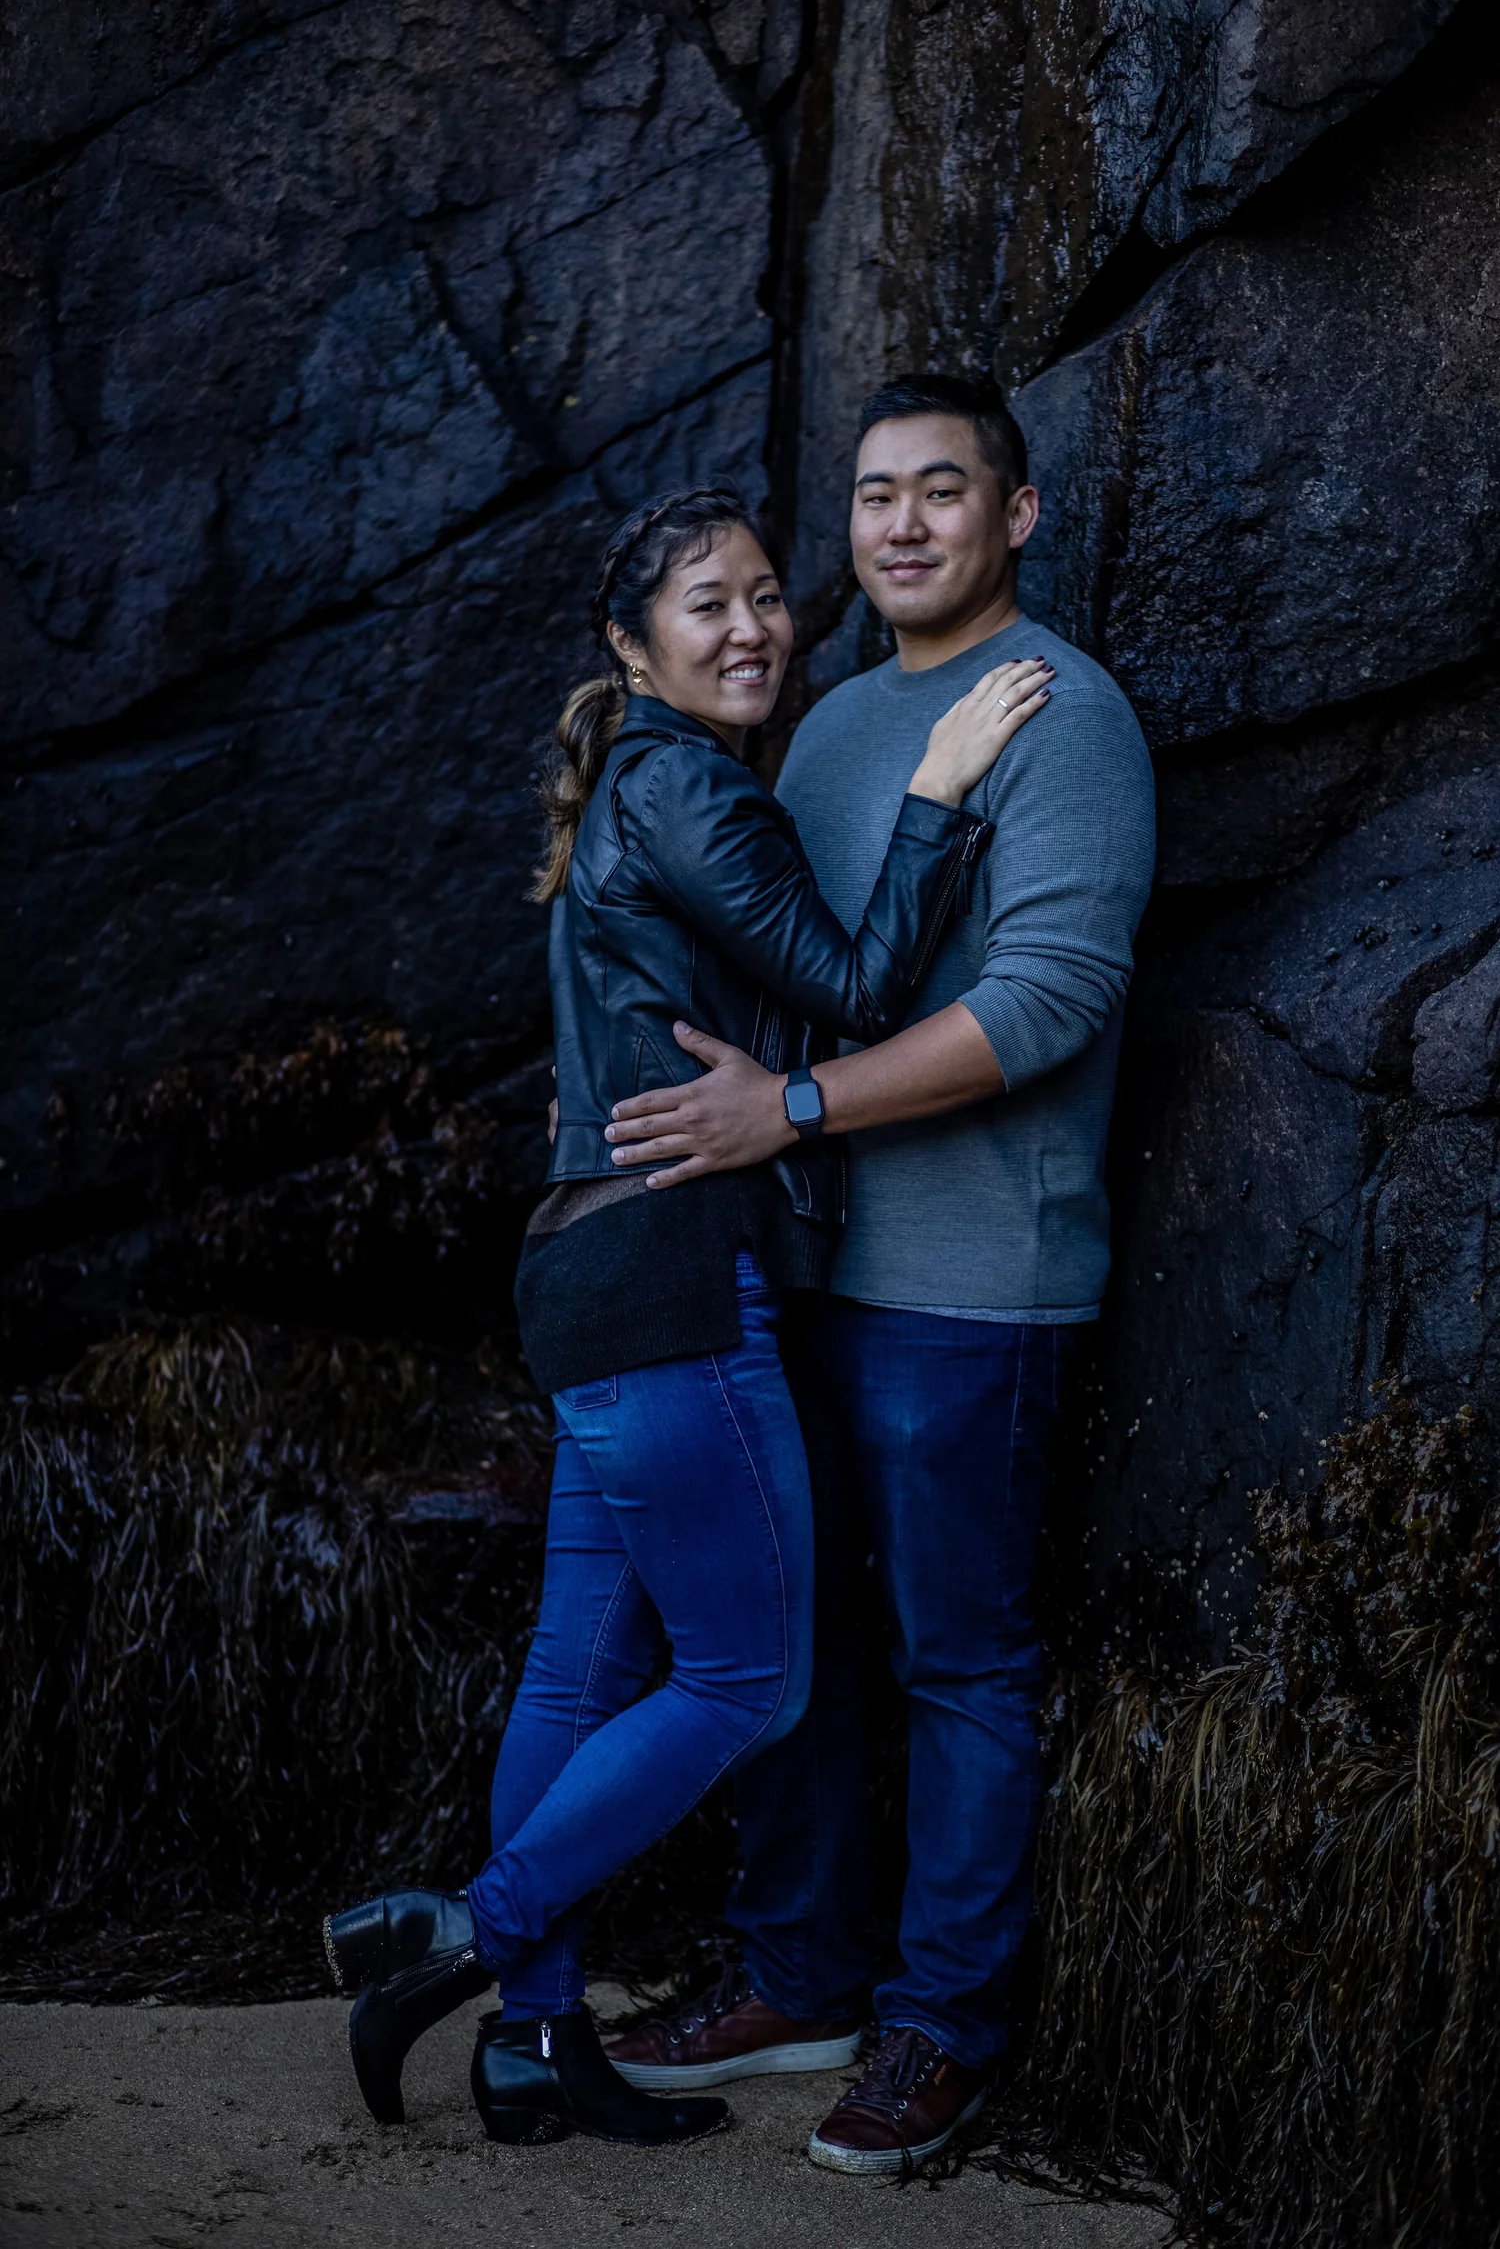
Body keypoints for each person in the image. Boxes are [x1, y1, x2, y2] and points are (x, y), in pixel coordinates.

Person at [319, 481, 1052, 2150]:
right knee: (750, 1674)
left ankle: (533, 2044)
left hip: (585, 1271)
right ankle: (462, 1939)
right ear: (632, 645)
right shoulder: (689, 789)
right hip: (666, 1272)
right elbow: (859, 987)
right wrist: (939, 787)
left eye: (763, 597)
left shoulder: (639, 791)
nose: (752, 626)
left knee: (581, 1671)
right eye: (706, 604)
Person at [600, 375, 1156, 2173]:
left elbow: (1048, 1001)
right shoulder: (827, 724)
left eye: (943, 490)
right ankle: (794, 1974)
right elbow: (798, 965)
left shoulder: (1062, 716)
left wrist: (800, 1109)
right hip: (796, 1273)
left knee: (959, 1667)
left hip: (972, 1288)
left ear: (1019, 516)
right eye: (872, 495)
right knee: (791, 1651)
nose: (902, 523)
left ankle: (938, 2024)